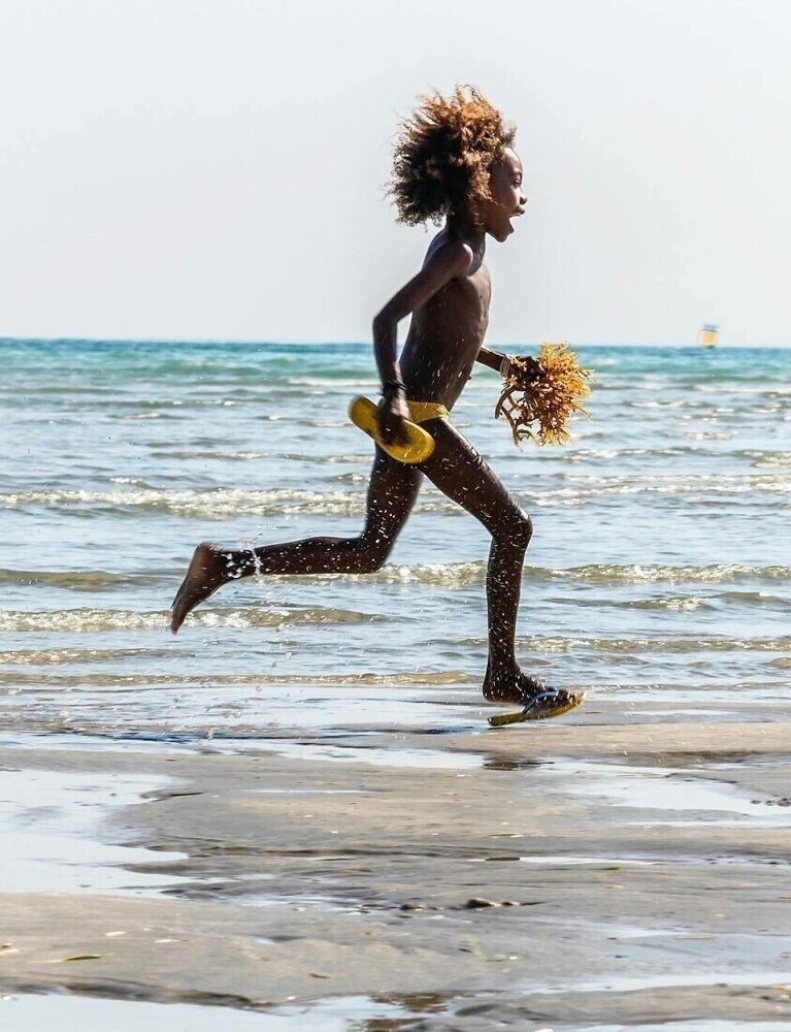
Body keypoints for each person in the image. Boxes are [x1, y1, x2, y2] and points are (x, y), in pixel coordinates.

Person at [170, 86, 574, 712]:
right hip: (420, 421)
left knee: (369, 552)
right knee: (513, 527)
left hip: (413, 424)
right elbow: (387, 320)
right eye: (514, 184)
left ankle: (223, 565)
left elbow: (441, 337)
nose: (524, 199)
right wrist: (394, 397)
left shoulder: (471, 254)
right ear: (478, 187)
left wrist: (502, 365)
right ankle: (503, 675)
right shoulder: (458, 252)